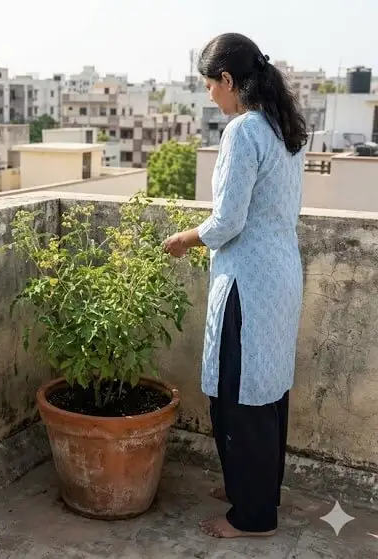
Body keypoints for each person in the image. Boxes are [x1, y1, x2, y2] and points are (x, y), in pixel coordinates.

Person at [162, 32, 307, 539]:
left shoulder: (244, 131)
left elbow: (227, 221)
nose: (209, 96)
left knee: (239, 396)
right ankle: (254, 489)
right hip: (281, 276)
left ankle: (253, 517)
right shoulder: (280, 127)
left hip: (250, 282)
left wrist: (184, 237)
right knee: (265, 395)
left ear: (228, 80)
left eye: (209, 85)